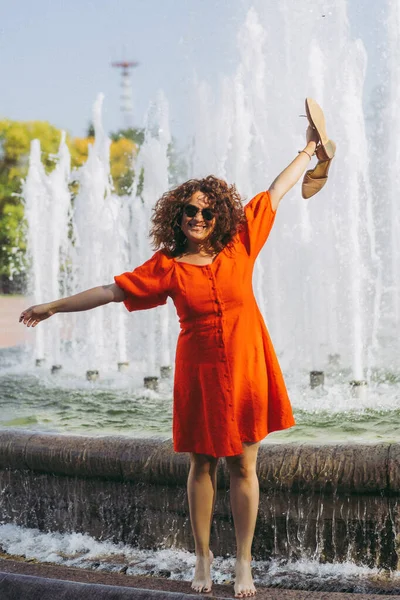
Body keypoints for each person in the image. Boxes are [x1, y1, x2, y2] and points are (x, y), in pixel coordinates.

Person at [20, 103, 332, 598]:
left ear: (220, 214)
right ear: (178, 215)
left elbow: (274, 192)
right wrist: (54, 306)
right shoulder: (167, 265)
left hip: (249, 364)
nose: (200, 217)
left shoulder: (240, 244)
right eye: (191, 210)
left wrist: (310, 150)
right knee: (202, 464)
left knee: (244, 465)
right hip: (200, 370)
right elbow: (111, 291)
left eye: (209, 211)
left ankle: (244, 563)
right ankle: (204, 557)